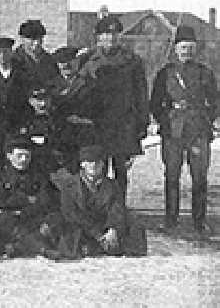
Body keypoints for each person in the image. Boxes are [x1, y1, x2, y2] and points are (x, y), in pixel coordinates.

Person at [148, 23, 216, 235]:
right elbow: (155, 103)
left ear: (195, 50)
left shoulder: (204, 72)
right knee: (172, 176)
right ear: (176, 49)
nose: (186, 51)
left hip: (197, 131)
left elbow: (215, 101)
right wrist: (165, 120)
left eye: (190, 47)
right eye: (183, 47)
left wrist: (206, 120)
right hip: (173, 131)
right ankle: (170, 220)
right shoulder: (165, 73)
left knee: (199, 178)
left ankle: (199, 221)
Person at [76, 15, 148, 196]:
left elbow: (141, 94)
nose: (111, 38)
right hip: (96, 124)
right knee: (95, 169)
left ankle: (119, 212)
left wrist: (142, 123)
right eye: (106, 35)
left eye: (115, 34)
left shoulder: (132, 61)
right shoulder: (86, 60)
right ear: (98, 38)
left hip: (122, 125)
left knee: (121, 171)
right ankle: (98, 210)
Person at [55, 143, 147, 258]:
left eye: (97, 162)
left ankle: (115, 246)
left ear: (103, 164)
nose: (93, 166)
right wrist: (97, 234)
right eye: (89, 162)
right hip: (82, 227)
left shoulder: (112, 185)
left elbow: (117, 209)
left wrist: (112, 229)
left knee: (133, 221)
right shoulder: (69, 185)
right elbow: (70, 213)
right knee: (67, 229)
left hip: (104, 225)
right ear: (82, 164)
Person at [0, 135, 59, 258]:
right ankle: (41, 249)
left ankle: (18, 247)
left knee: (54, 220)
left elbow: (45, 199)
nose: (23, 160)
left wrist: (23, 208)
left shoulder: (38, 175)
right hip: (8, 220)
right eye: (19, 156)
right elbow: (0, 201)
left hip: (31, 216)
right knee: (11, 224)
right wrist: (28, 199)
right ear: (9, 156)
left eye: (27, 156)